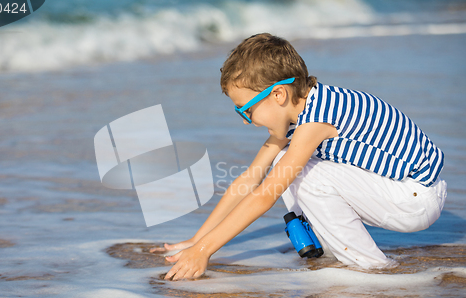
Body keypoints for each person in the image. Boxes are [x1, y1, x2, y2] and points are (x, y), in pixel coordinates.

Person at [153, 33, 447, 280]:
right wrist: (197, 240)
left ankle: (372, 268)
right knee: (285, 163)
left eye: (245, 109)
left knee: (304, 175)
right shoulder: (300, 110)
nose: (244, 120)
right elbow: (249, 180)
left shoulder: (317, 120)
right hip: (399, 190)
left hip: (417, 196)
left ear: (278, 95)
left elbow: (265, 195)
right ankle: (331, 247)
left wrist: (204, 252)